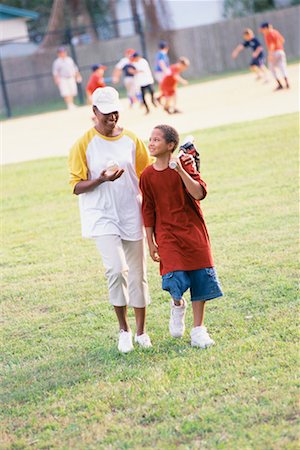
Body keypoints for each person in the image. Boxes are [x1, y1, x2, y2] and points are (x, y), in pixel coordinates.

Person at [68, 86, 152, 353]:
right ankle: (123, 330)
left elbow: (147, 175)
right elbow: (76, 186)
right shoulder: (83, 143)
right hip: (101, 214)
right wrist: (101, 179)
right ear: (94, 112)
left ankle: (141, 332)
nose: (112, 118)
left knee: (138, 274)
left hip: (131, 211)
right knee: (117, 269)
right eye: (106, 114)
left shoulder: (132, 140)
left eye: (115, 112)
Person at [139, 125, 223, 348]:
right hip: (167, 234)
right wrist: (151, 243)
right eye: (150, 139)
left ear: (170, 145)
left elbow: (199, 193)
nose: (151, 143)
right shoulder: (147, 175)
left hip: (193, 229)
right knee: (174, 276)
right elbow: (147, 210)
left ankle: (198, 330)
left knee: (200, 277)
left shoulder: (184, 164)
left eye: (157, 140)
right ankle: (177, 304)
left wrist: (180, 170)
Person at [260, 22, 290, 90]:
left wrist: (270, 55)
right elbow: (282, 40)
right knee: (282, 67)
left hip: (274, 52)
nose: (262, 31)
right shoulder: (275, 32)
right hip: (281, 51)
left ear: (266, 28)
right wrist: (279, 47)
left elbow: (272, 45)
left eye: (263, 30)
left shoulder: (268, 34)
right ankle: (287, 83)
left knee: (272, 69)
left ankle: (280, 84)